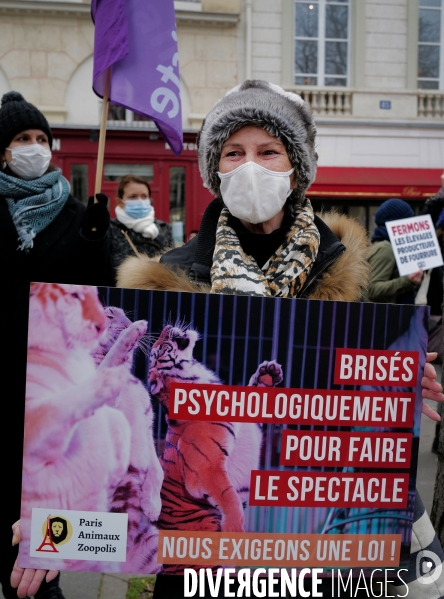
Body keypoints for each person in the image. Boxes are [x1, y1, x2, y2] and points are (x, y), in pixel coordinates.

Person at [115, 80, 444, 598]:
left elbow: (351, 391)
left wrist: (400, 381)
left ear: (297, 168)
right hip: (199, 561)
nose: (251, 166)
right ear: (214, 170)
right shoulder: (162, 282)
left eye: (269, 151)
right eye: (233, 152)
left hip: (305, 543)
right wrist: (48, 522)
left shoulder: (344, 271)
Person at [0, 90, 113, 599]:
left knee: (39, 555)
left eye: (41, 138)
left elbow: (92, 299)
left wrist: (94, 245)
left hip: (44, 387)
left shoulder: (71, 212)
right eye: (22, 139)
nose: (34, 147)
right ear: (3, 151)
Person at [364, 198, 423, 304]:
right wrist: (407, 281)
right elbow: (372, 290)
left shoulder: (386, 246)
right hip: (385, 317)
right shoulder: (386, 248)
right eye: (407, 221)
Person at [109, 174, 173, 272]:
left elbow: (172, 266)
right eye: (133, 197)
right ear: (119, 202)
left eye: (144, 196)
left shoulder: (164, 228)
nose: (140, 201)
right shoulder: (110, 229)